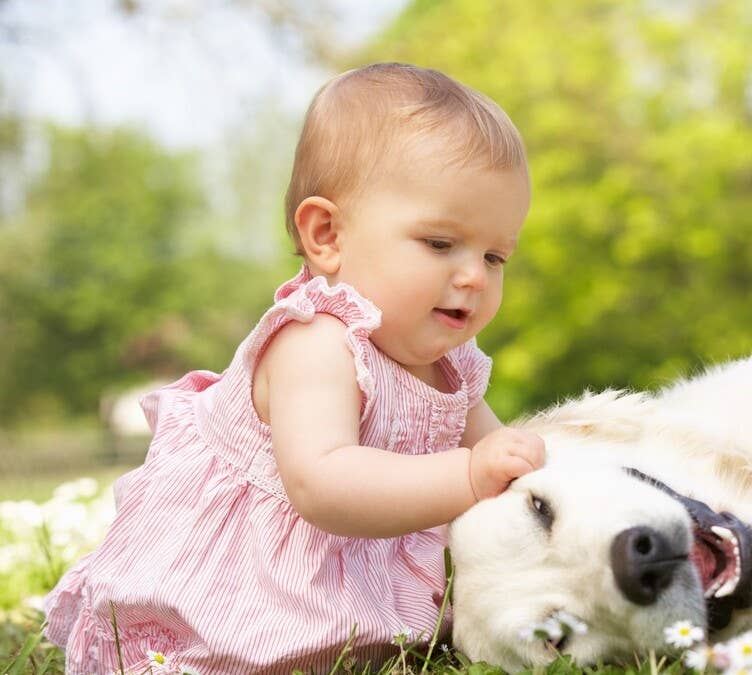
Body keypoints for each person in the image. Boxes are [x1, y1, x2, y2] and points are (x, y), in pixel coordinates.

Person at [42, 63, 546, 674]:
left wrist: (534, 476)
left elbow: (505, 464)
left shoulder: (453, 367)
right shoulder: (316, 341)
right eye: (441, 244)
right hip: (238, 592)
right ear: (327, 234)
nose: (473, 276)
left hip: (346, 584)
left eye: (495, 256)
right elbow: (325, 484)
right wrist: (469, 475)